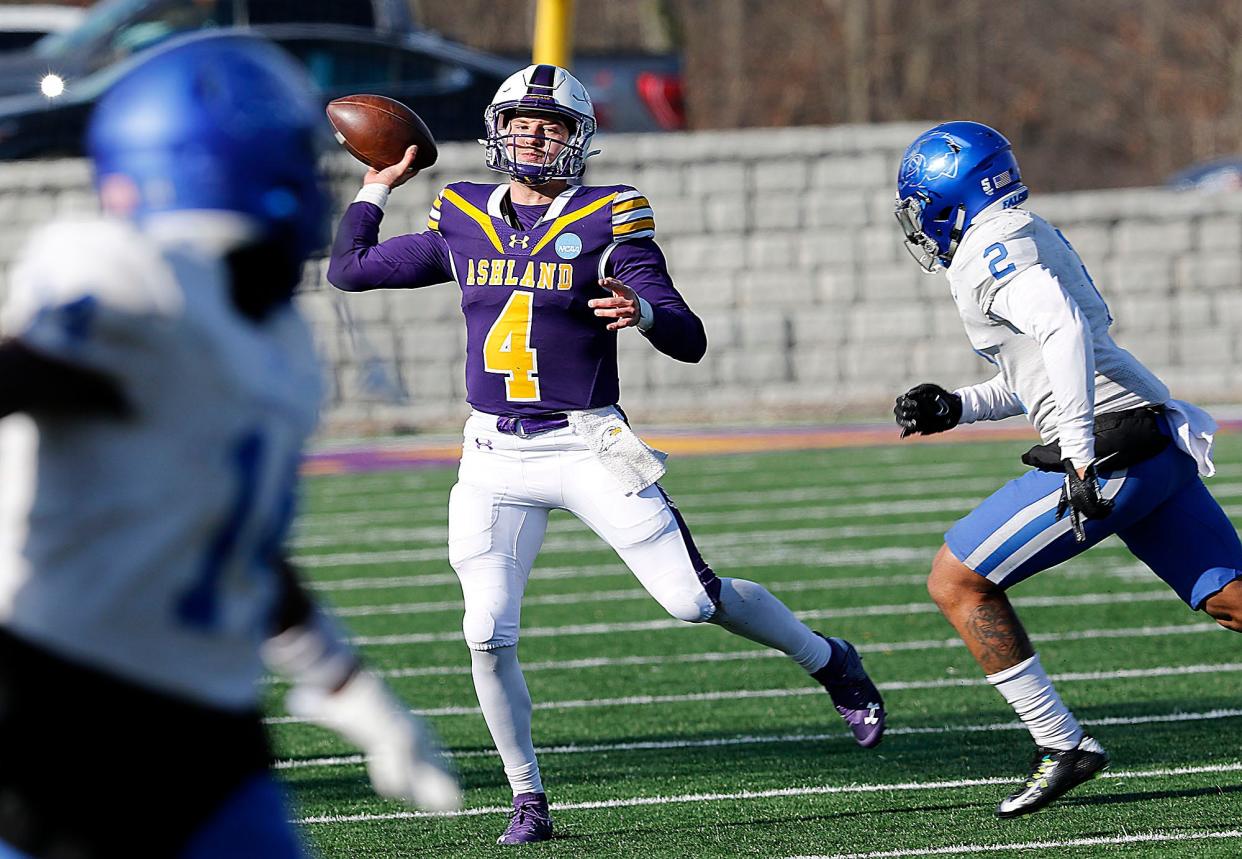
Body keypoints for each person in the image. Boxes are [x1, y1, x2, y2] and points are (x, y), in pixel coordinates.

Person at [328, 63, 887, 845]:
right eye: (521, 121)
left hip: (586, 441)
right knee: (485, 631)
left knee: (694, 601)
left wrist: (644, 311)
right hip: (492, 452)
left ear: (578, 139)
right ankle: (527, 796)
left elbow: (687, 336)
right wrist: (378, 184)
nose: (533, 135)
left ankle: (828, 658)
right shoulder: (462, 212)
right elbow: (348, 271)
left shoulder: (609, 216)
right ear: (497, 129)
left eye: (551, 125)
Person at [0, 33, 459, 859]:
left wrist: (343, 681)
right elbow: (29, 373)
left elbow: (225, 530)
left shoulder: (277, 337)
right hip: (61, 706)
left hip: (208, 716)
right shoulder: (127, 269)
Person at [891, 120, 1242, 818]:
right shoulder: (1022, 231)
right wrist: (960, 405)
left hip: (1111, 453)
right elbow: (1048, 369)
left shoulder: (987, 250)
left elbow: (1063, 331)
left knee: (956, 579)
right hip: (1152, 438)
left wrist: (1079, 452)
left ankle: (1062, 744)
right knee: (1231, 599)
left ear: (947, 196)